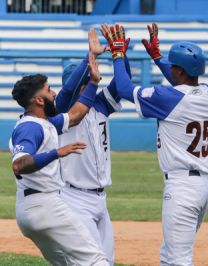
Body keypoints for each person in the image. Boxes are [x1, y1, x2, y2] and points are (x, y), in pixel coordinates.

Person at [102, 24, 208, 265]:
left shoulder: (168, 98)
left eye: (173, 65)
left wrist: (118, 54)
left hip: (183, 188)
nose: (170, 68)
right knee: (170, 256)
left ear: (180, 71)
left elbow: (123, 88)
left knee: (178, 260)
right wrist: (157, 57)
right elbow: (180, 81)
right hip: (203, 186)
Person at [9, 50, 109, 265]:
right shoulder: (30, 128)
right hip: (46, 205)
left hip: (30, 210)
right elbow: (19, 164)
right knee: (97, 260)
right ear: (38, 99)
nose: (54, 93)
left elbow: (75, 115)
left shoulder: (43, 123)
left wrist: (93, 82)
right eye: (48, 90)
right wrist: (56, 153)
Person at [56, 28, 130, 265]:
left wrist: (120, 53)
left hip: (100, 198)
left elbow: (122, 84)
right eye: (84, 81)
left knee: (106, 260)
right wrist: (90, 56)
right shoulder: (61, 109)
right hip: (74, 196)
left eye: (89, 81)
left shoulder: (100, 104)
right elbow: (68, 91)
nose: (88, 85)